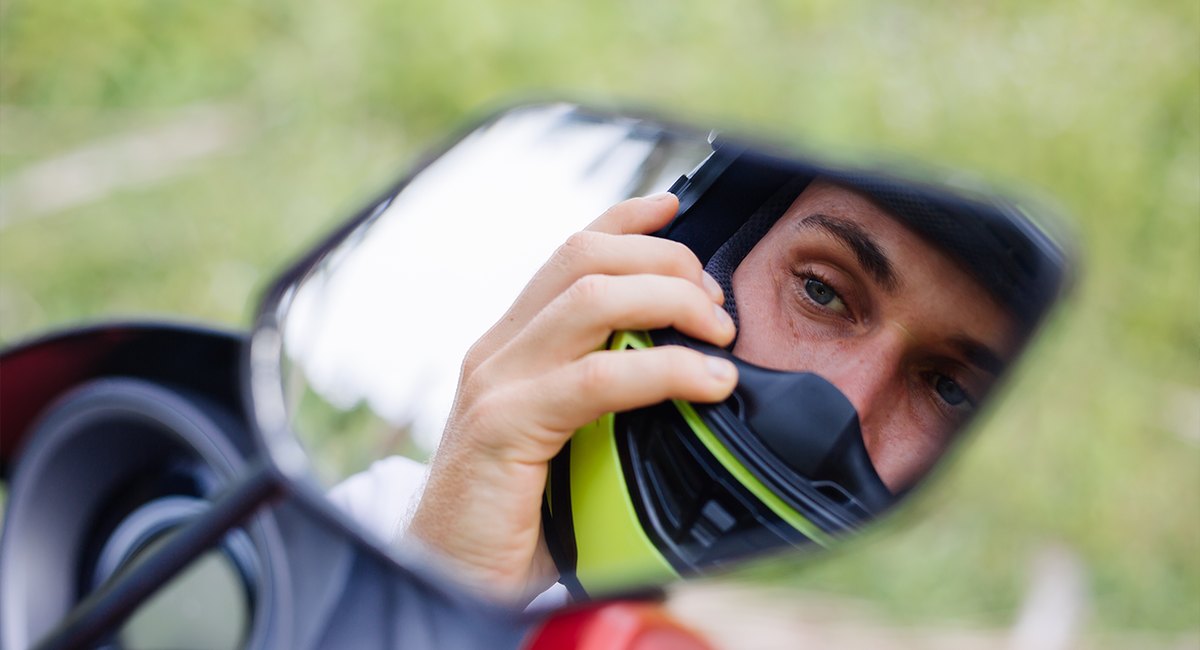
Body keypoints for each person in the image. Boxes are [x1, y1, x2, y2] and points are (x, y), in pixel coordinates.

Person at [330, 177, 1016, 607]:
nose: (837, 412)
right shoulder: (376, 537)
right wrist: (441, 600)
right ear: (687, 255)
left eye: (952, 390)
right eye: (820, 291)